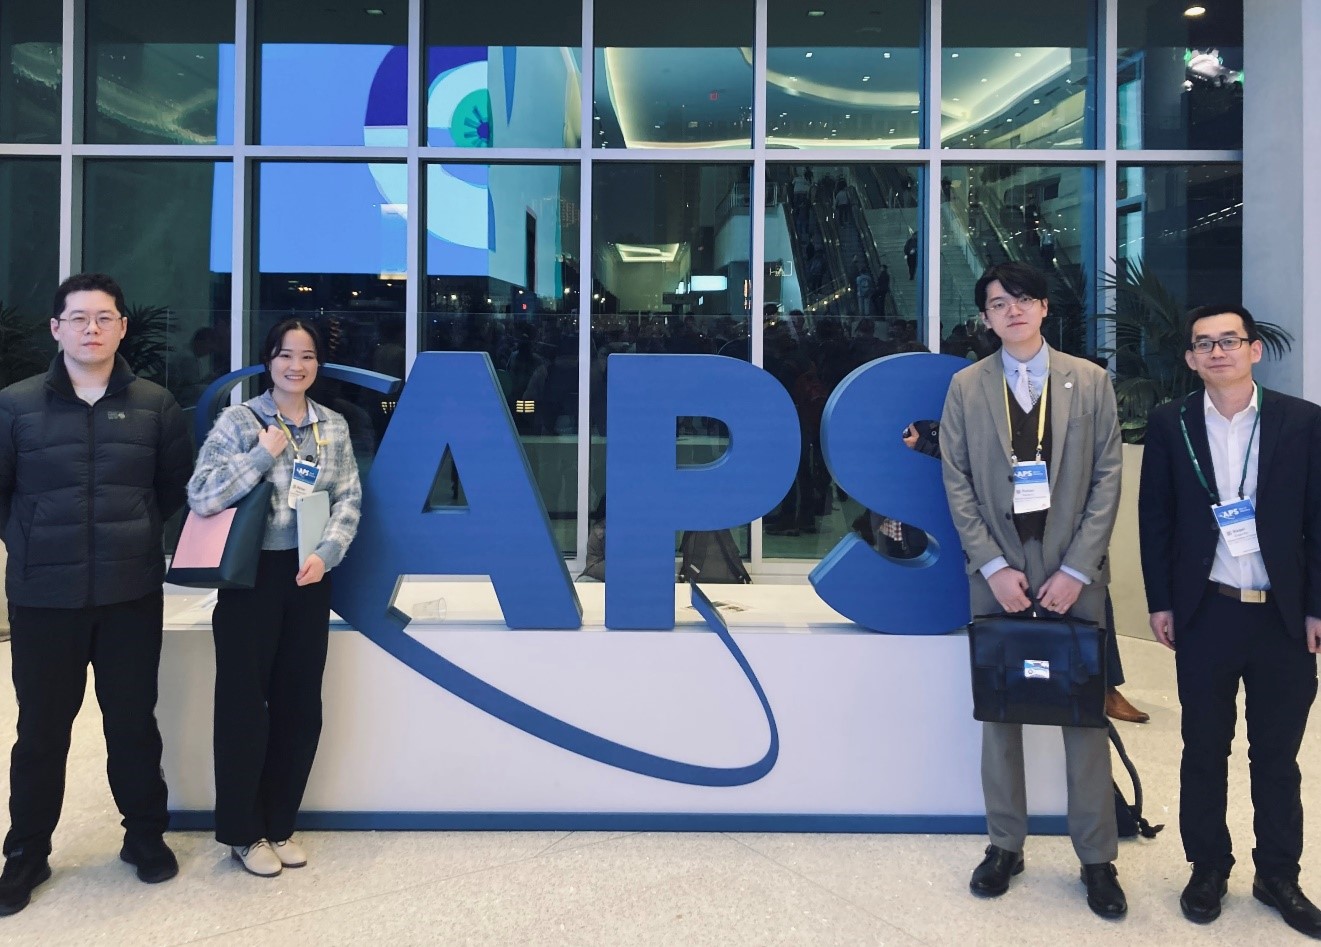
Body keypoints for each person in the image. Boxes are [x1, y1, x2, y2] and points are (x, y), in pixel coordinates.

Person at [0, 273, 192, 915]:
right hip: (42, 598)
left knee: (133, 725)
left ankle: (144, 838)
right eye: (78, 318)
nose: (91, 329)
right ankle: (26, 852)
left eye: (104, 318)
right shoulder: (15, 405)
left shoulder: (156, 406)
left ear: (121, 328)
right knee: (41, 733)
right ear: (56, 328)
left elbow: (172, 492)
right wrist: (31, 544)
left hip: (128, 595)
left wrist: (133, 542)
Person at [940, 262, 1126, 918]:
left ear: (1043, 308)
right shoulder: (965, 386)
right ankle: (1004, 844)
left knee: (1083, 713)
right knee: (1000, 712)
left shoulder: (1090, 380)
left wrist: (1076, 568)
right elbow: (955, 481)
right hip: (999, 574)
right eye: (997, 302)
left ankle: (1096, 857)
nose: (1011, 310)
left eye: (1022, 299)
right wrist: (991, 565)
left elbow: (1107, 477)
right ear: (985, 317)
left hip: (1073, 572)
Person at [1138, 304, 1321, 937]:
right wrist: (1161, 602)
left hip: (1283, 620)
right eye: (1204, 344)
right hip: (1207, 611)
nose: (1218, 352)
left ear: (1253, 350)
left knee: (1277, 755)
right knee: (1204, 748)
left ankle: (1278, 875)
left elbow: (1319, 523)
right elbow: (1155, 520)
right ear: (1190, 358)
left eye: (1230, 341)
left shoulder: (1302, 422)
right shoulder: (1171, 423)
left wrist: (1317, 606)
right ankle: (1208, 868)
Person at [186, 319, 361, 878]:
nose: (297, 366)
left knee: (299, 705)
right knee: (243, 706)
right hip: (249, 579)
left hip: (307, 576)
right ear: (268, 360)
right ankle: (243, 831)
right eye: (286, 355)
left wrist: (327, 553)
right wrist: (261, 455)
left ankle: (280, 822)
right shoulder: (241, 420)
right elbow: (202, 493)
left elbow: (348, 497)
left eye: (307, 356)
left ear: (318, 365)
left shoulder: (332, 425)